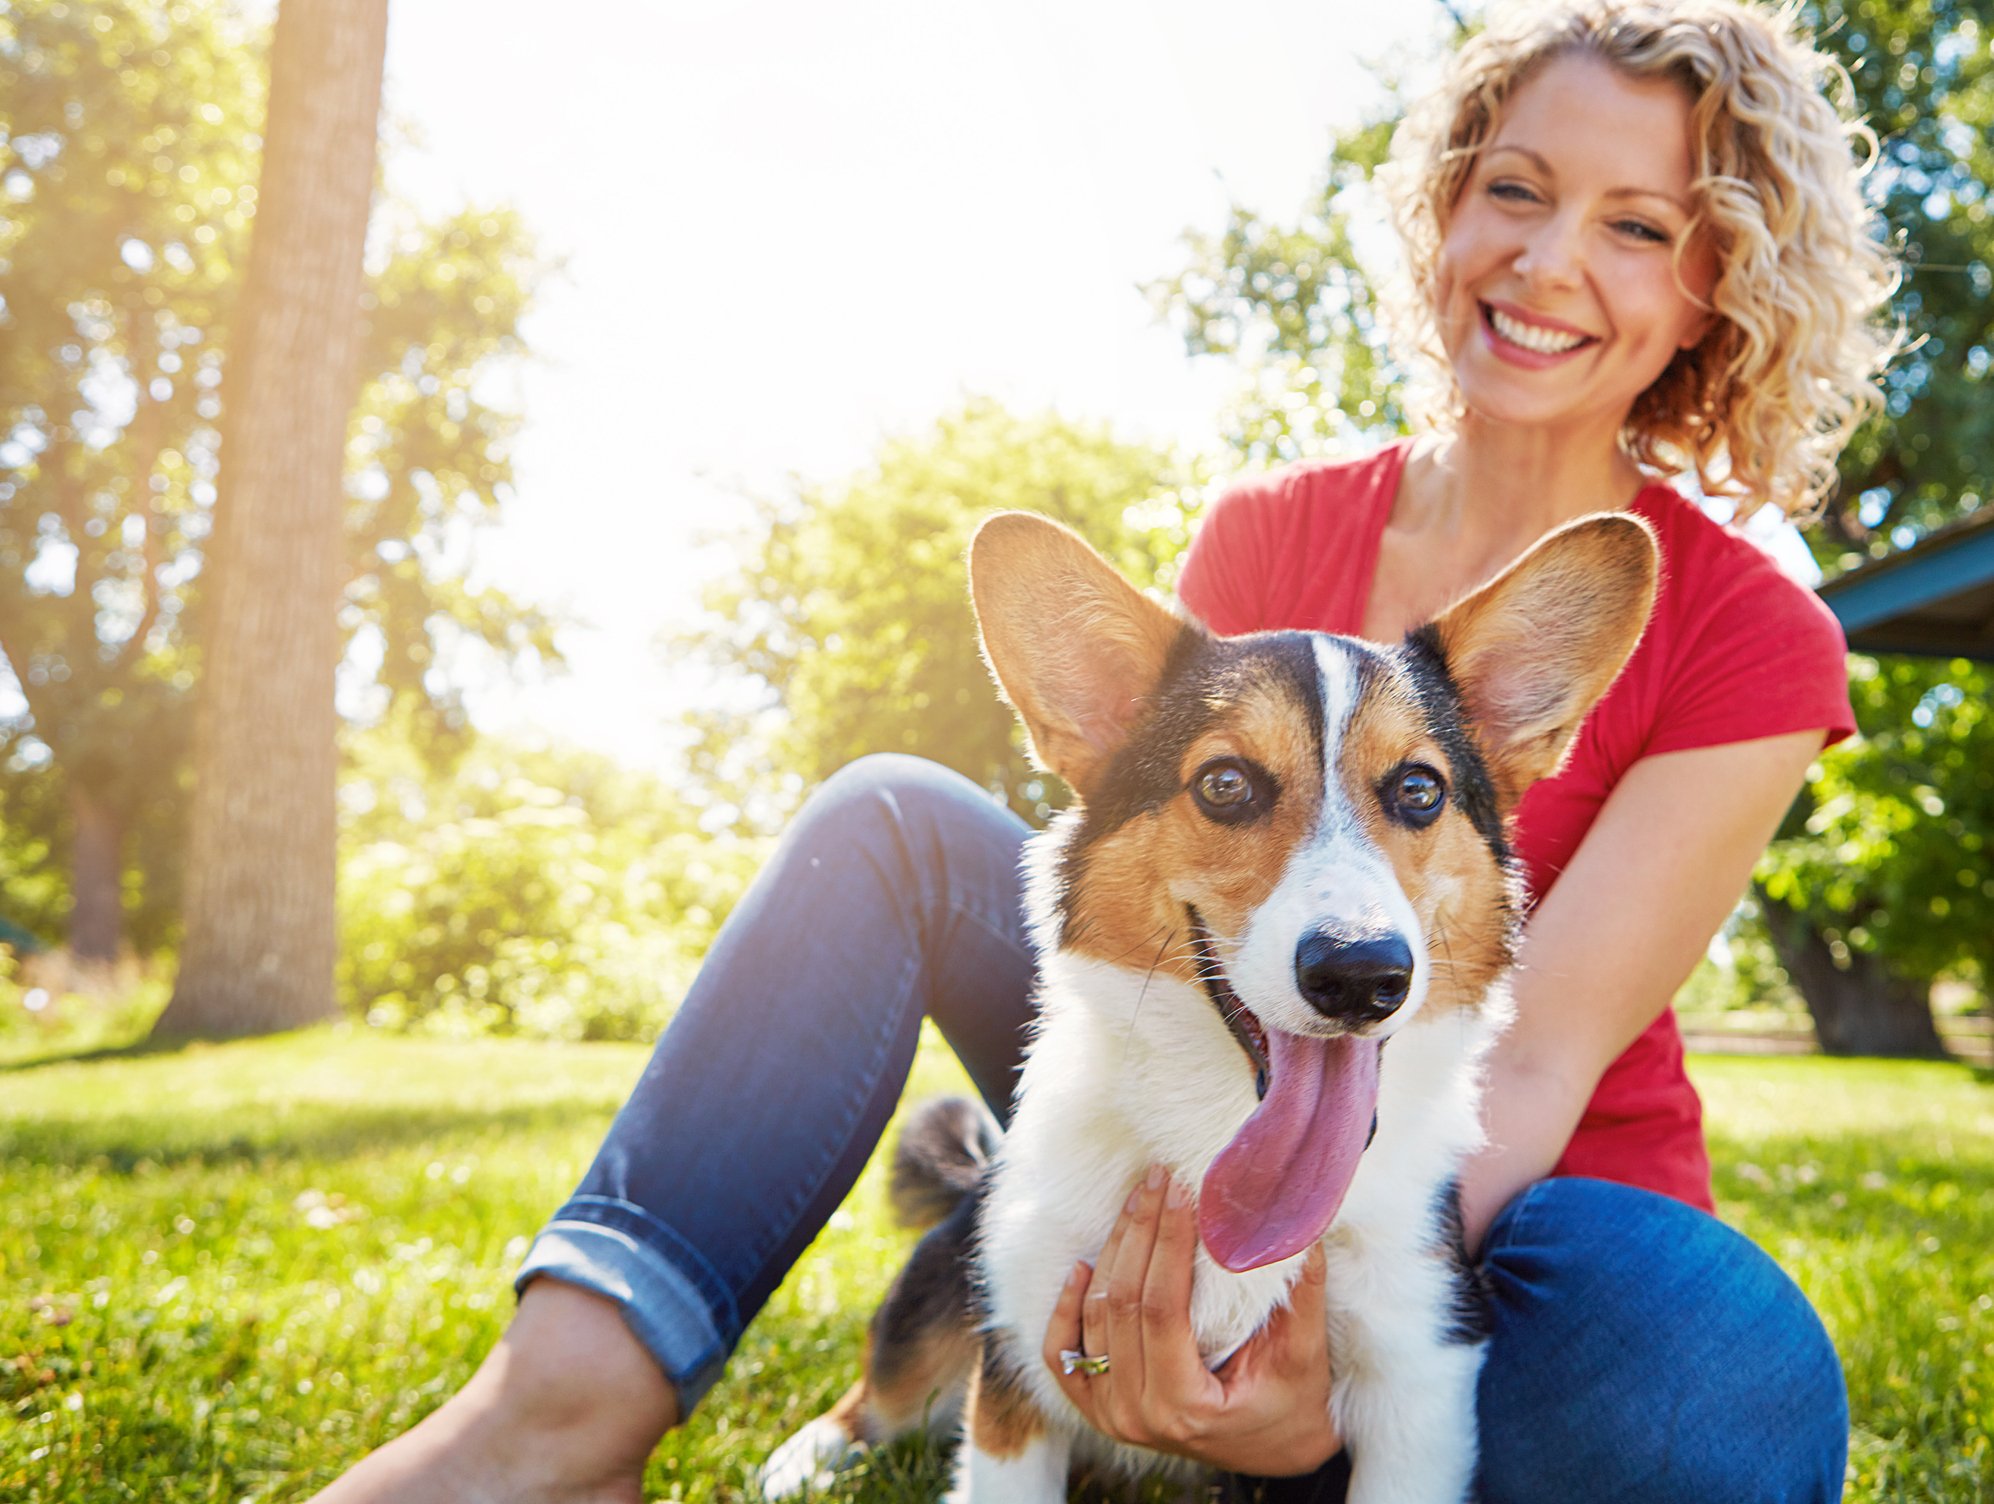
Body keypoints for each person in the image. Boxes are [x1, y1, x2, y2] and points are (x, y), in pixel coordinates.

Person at [313, 1, 1896, 1500]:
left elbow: (1533, 1058)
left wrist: (1310, 1334)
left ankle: (1305, 1428)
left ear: (1717, 289)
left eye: (1636, 226)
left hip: (1500, 1187)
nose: (1549, 261)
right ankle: (562, 1409)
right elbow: (1137, 889)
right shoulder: (1270, 530)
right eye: (1514, 191)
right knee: (890, 819)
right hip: (1189, 1067)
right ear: (1443, 209)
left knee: (1717, 1396)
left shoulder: (1750, 629)